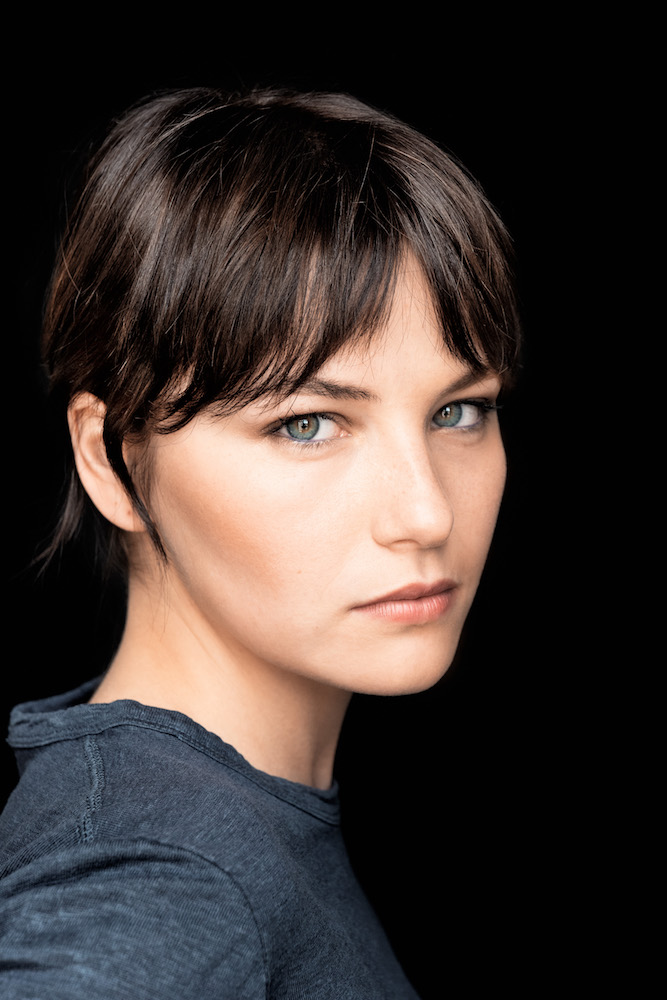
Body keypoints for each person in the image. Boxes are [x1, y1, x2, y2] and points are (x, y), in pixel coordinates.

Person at [0, 85, 521, 998]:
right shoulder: (155, 874)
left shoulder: (215, 818)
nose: (427, 513)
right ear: (110, 459)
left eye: (458, 411)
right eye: (306, 424)